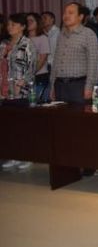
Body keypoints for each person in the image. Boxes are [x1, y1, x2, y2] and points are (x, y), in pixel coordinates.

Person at [1, 14, 38, 170]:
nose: (10, 27)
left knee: (23, 126)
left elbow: (32, 67)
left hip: (21, 91)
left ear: (22, 27)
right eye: (9, 24)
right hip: (5, 91)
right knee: (10, 126)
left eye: (14, 24)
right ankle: (14, 155)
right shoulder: (4, 45)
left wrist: (22, 83)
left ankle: (27, 156)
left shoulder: (27, 44)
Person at [50, 2, 98, 106]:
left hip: (79, 86)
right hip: (59, 85)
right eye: (65, 13)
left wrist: (89, 87)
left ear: (80, 17)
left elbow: (93, 62)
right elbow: (56, 61)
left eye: (71, 13)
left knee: (79, 115)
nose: (66, 16)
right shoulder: (61, 35)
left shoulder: (88, 34)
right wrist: (52, 85)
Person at [26, 12, 50, 102]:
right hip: (25, 77)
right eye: (27, 21)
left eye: (31, 21)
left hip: (39, 76)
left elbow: (42, 59)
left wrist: (32, 73)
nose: (28, 23)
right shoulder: (24, 39)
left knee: (39, 103)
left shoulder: (42, 38)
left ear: (37, 23)